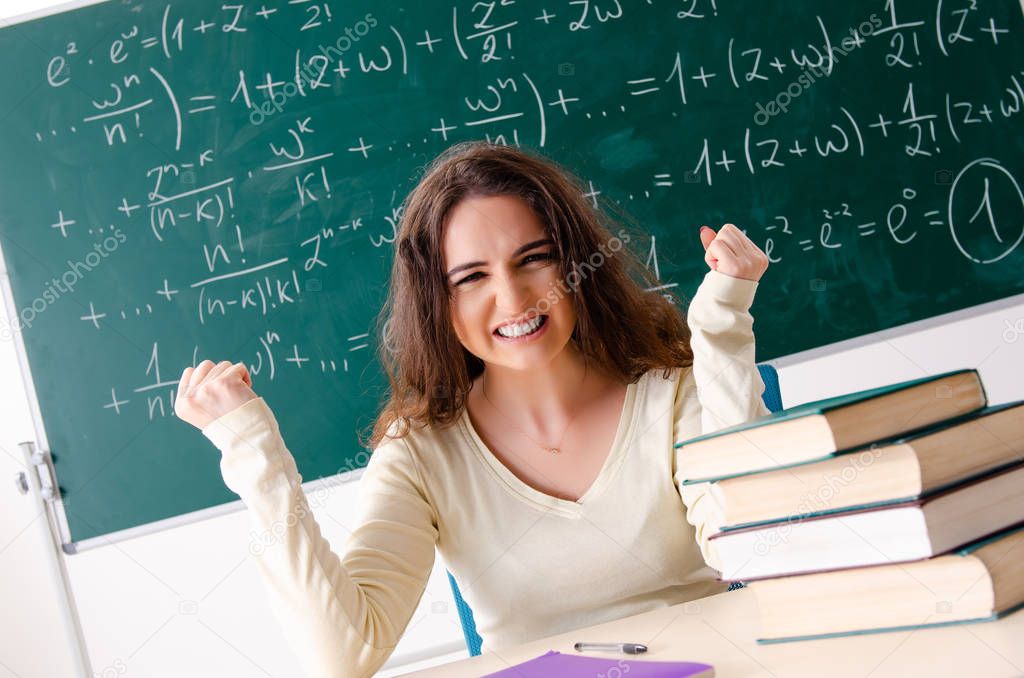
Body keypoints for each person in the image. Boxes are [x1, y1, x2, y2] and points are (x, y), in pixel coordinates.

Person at [174, 141, 770, 678]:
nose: (512, 300)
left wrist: (720, 331)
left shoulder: (672, 395)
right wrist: (254, 452)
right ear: (438, 301)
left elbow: (756, 545)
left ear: (574, 264)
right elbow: (342, 655)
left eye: (533, 258)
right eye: (471, 277)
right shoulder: (420, 455)